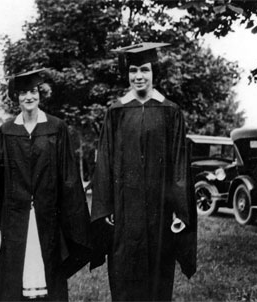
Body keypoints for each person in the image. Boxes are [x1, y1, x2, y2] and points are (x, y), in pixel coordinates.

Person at [90, 43, 197, 301]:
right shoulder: (116, 112)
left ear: (153, 72)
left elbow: (180, 164)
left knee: (158, 277)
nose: (139, 76)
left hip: (160, 212)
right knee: (124, 275)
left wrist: (179, 208)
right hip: (125, 214)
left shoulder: (169, 111)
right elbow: (104, 161)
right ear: (127, 73)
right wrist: (107, 206)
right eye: (134, 70)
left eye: (145, 70)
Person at [0, 69, 92, 301]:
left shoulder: (56, 128)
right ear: (16, 97)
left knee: (49, 282)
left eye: (32, 91)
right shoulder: (6, 132)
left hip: (49, 221)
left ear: (40, 93)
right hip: (14, 222)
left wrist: (71, 224)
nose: (28, 97)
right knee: (15, 284)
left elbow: (69, 180)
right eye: (22, 93)